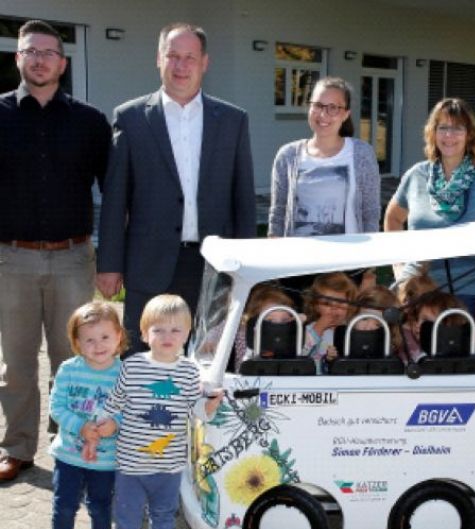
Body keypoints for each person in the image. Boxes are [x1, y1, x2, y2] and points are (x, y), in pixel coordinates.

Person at [96, 22, 256, 355]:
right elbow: (115, 198)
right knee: (142, 362)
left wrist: (248, 265)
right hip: (148, 263)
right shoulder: (131, 117)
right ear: (159, 59)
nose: (181, 66)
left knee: (208, 361)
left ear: (205, 63)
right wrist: (109, 263)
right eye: (173, 56)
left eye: (190, 57)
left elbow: (243, 198)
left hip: (213, 265)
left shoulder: (232, 120)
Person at [0, 20, 111, 481]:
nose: (40, 59)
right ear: (18, 58)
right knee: (17, 361)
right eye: (31, 51)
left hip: (72, 257)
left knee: (75, 358)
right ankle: (17, 446)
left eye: (49, 52)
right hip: (12, 258)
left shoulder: (89, 121)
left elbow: (115, 189)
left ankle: (69, 442)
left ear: (62, 64)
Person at [100, 295, 222, 529]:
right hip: (130, 463)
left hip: (168, 465)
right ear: (144, 334)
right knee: (127, 516)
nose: (167, 337)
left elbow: (195, 411)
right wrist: (101, 422)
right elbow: (113, 404)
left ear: (187, 334)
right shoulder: (131, 367)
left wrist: (211, 405)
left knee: (164, 515)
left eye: (175, 330)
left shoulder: (190, 371)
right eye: (158, 330)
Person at [383, 97, 475, 326]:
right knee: (414, 358)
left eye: (457, 128)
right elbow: (393, 218)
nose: (449, 135)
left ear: (469, 133)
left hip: (467, 291)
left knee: (458, 359)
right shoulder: (416, 175)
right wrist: (400, 269)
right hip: (417, 291)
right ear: (433, 132)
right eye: (442, 127)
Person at [40, 302, 126, 529]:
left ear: (118, 338)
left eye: (105, 337)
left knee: (101, 505)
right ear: (77, 342)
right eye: (89, 339)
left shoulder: (125, 374)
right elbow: (57, 407)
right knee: (64, 505)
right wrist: (80, 427)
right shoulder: (68, 369)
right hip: (68, 456)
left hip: (106, 459)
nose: (98, 345)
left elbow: (132, 410)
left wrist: (114, 425)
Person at [268, 76, 381, 238]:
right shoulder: (287, 155)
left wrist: (369, 258)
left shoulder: (362, 154)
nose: (323, 114)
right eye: (318, 105)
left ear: (346, 114)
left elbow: (370, 212)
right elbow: (278, 211)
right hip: (299, 259)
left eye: (333, 107)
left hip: (348, 259)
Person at [302, 273, 357, 371]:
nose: (334, 308)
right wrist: (318, 328)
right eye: (327, 303)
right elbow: (301, 354)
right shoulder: (311, 329)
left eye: (340, 302)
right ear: (315, 306)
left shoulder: (353, 329)